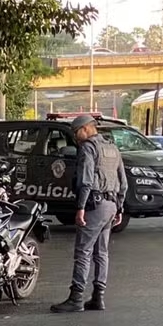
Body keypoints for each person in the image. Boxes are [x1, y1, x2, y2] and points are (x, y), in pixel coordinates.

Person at [51, 115, 127, 313]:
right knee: (101, 253)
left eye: (76, 133)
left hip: (95, 204)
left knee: (83, 251)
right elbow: (123, 182)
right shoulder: (112, 147)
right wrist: (119, 207)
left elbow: (85, 180)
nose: (76, 138)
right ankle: (98, 297)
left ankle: (76, 298)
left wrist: (81, 207)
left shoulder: (88, 147)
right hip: (111, 205)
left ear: (86, 129)